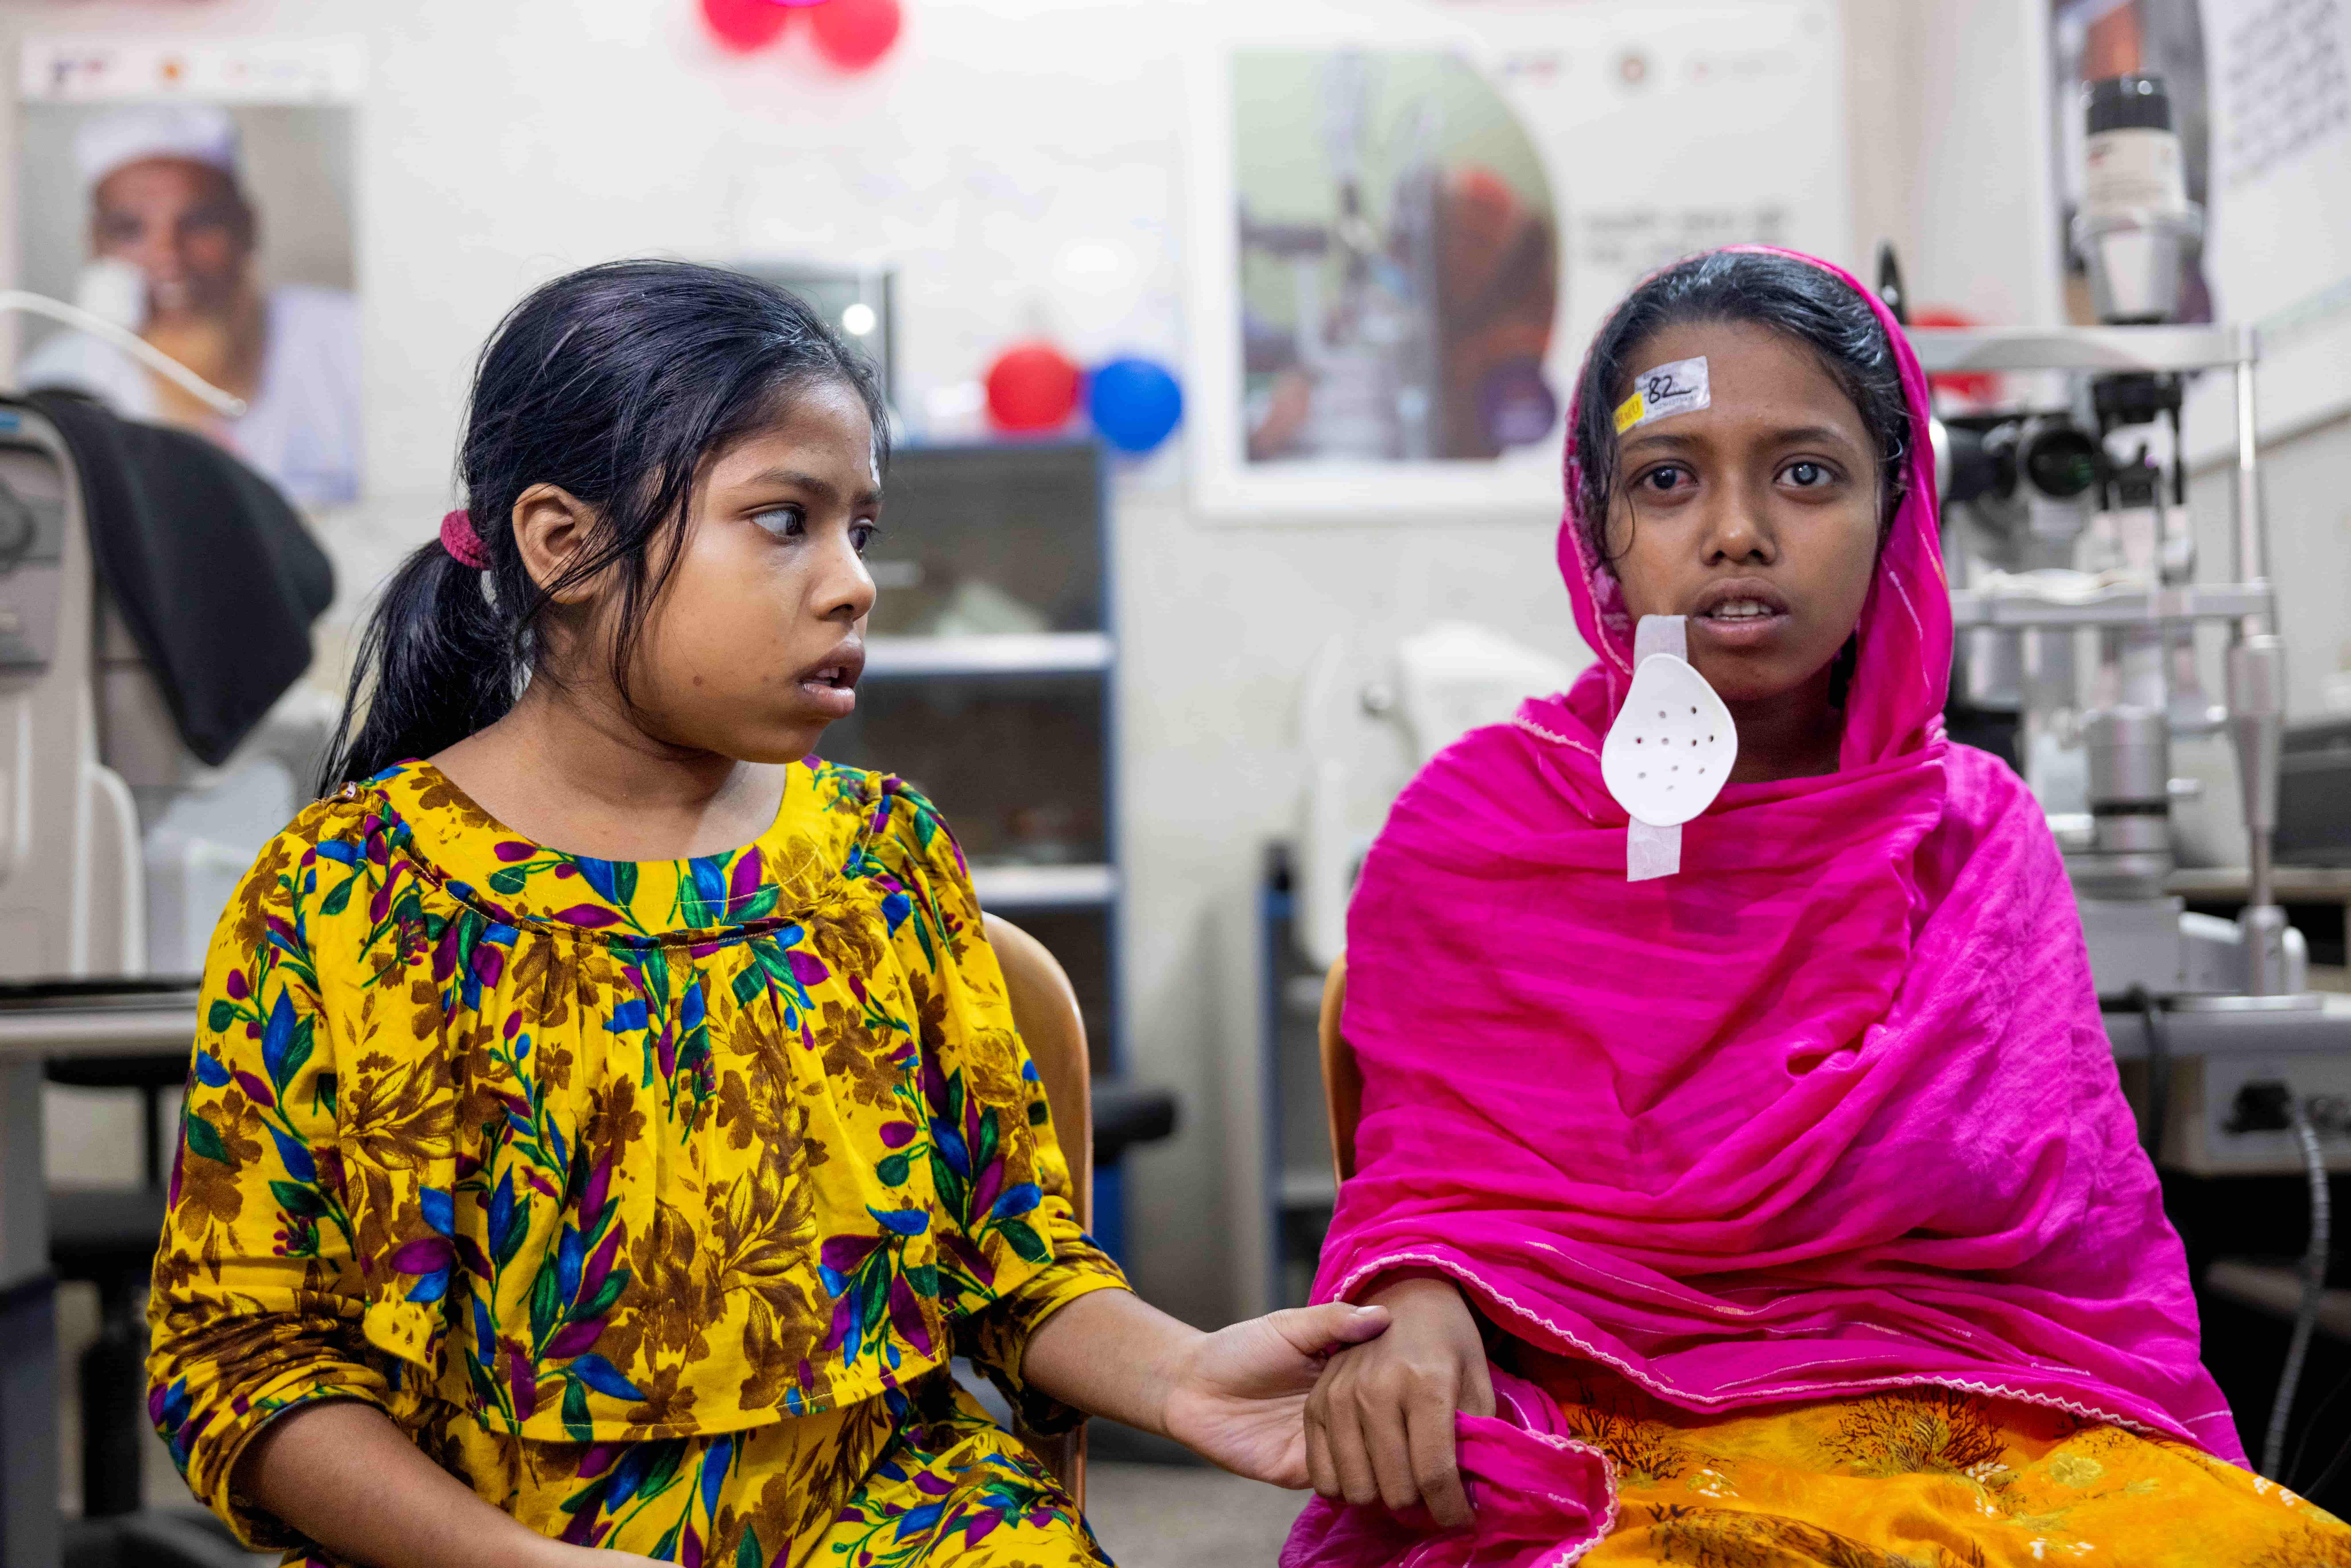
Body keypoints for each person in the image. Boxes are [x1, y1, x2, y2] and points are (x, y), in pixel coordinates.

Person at [146, 260, 1388, 1568]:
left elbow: (1015, 1264)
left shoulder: (882, 857)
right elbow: (245, 1364)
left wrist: (1189, 1375)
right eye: (785, 520)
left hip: (888, 1520)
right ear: (562, 544)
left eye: (862, 526)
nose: (854, 583)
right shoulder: (345, 895)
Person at [1287, 247, 2351, 1565]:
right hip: (1587, 1402)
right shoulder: (1476, 824)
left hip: (1971, 1403)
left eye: (1805, 473)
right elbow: (1427, 1180)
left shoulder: (1974, 837)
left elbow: (2064, 1247)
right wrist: (1418, 1291)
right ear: (1598, 524)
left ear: (1896, 511)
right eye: (1666, 479)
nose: (1735, 529)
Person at [18, 103, 361, 506]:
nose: (168, 258)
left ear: (248, 228)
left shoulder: (349, 337)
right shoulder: (52, 382)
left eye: (199, 224)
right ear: (96, 245)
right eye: (130, 231)